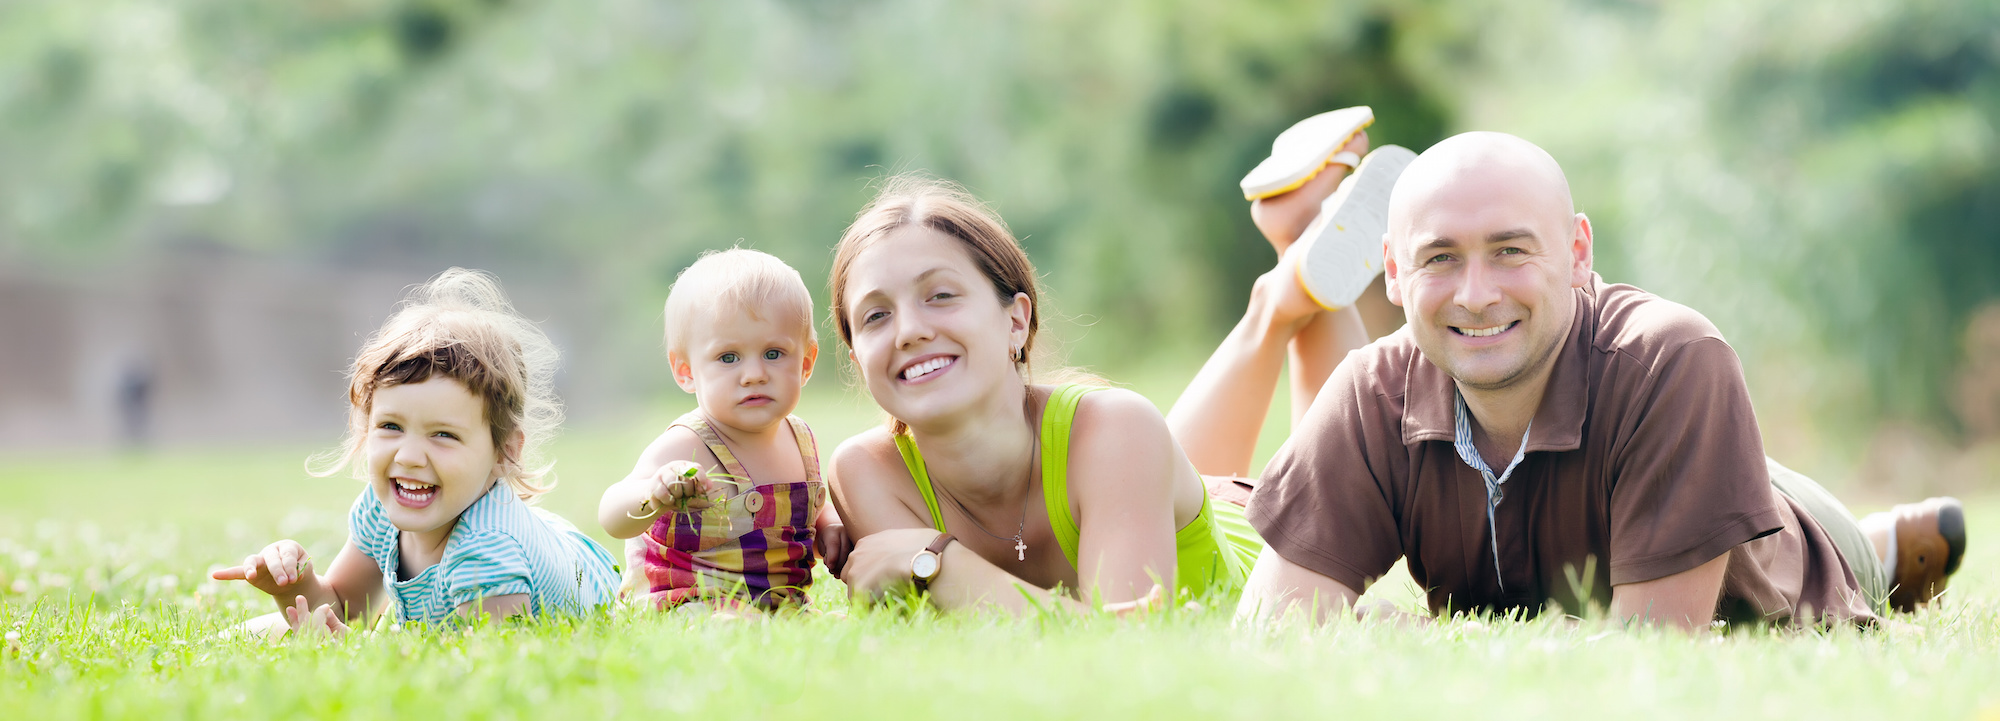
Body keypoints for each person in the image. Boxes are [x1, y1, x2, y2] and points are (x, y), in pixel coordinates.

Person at [1216, 130, 1967, 629]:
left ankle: (1880, 550)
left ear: (1578, 252)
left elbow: (1649, 661)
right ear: (1394, 272)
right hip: (1648, 469)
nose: (1476, 293)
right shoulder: (1371, 391)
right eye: (1440, 257)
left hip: (1788, 535)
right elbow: (1275, 633)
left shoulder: (1676, 357)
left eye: (1511, 250)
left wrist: (1394, 630)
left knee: (1818, 541)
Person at [826, 175, 1266, 613]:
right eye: (876, 315)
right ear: (857, 360)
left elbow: (1132, 649)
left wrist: (943, 564)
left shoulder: (1119, 429)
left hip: (1250, 527)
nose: (910, 331)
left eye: (940, 295)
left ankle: (1277, 297)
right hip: (1134, 486)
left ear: (1015, 322)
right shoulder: (866, 471)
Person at [210, 269, 621, 638]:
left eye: (442, 434)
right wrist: (296, 588)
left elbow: (493, 670)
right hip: (535, 541)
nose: (408, 457)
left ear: (503, 451)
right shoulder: (380, 510)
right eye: (391, 427)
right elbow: (347, 612)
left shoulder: (488, 553)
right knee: (260, 634)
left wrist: (359, 658)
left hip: (590, 581)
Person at [597, 249, 847, 613]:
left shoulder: (800, 438)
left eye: (774, 353)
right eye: (728, 358)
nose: (754, 374)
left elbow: (806, 512)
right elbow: (611, 516)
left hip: (779, 604)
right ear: (686, 371)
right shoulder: (688, 442)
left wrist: (829, 526)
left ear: (806, 362)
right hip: (689, 603)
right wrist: (653, 493)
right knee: (726, 625)